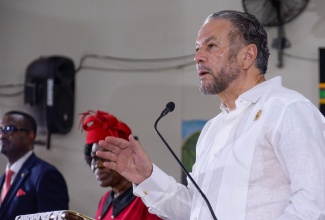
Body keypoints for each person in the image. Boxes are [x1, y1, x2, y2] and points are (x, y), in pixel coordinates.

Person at [95, 10, 325, 220]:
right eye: (197, 49)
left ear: (247, 56)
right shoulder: (212, 130)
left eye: (211, 46)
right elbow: (195, 209)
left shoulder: (287, 109)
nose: (198, 57)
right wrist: (146, 177)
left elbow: (315, 204)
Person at [80, 110, 161, 220]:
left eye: (105, 157)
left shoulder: (147, 201)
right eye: (94, 158)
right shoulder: (105, 200)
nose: (98, 165)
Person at [0, 110, 69, 220]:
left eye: (9, 129)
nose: (2, 135)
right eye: (0, 130)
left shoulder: (46, 175)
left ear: (30, 136)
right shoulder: (3, 179)